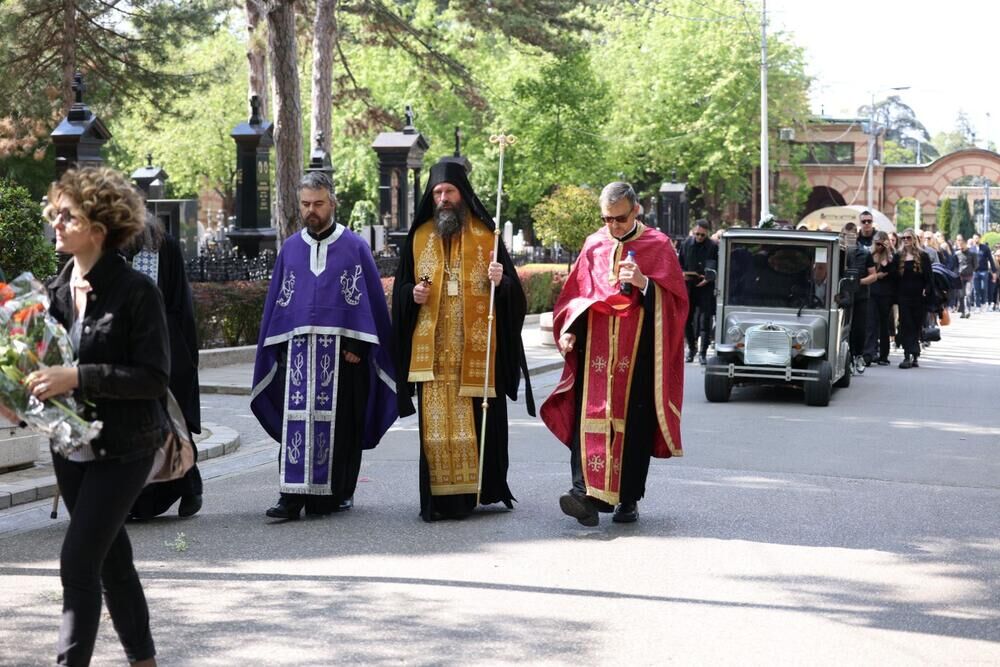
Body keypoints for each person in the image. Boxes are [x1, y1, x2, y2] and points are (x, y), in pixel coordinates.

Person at [3, 167, 168, 666]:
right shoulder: (50, 292)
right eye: (56, 213)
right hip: (68, 447)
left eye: (67, 216)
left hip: (126, 447)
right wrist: (14, 391)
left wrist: (77, 377)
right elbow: (35, 366)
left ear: (98, 228)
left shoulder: (137, 292)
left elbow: (153, 379)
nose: (56, 223)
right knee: (112, 561)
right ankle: (144, 660)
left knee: (77, 563)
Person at [391, 160, 534, 522]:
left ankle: (475, 493)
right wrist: (412, 295)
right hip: (434, 358)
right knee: (436, 435)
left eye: (448, 192)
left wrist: (502, 282)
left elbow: (515, 299)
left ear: (462, 193)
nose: (442, 199)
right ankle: (439, 499)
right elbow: (400, 295)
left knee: (474, 430)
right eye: (437, 193)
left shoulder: (488, 237)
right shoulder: (419, 236)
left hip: (475, 354)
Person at [251, 171, 397, 520]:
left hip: (344, 355)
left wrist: (359, 349)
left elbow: (369, 306)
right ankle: (290, 496)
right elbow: (279, 305)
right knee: (295, 425)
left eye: (318, 203)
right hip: (298, 355)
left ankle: (335, 494)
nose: (311, 210)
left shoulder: (354, 247)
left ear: (332, 202)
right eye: (305, 204)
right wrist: (281, 347)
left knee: (343, 425)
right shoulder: (291, 249)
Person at [540, 182, 688, 526]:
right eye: (607, 219)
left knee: (632, 426)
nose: (613, 227)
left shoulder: (658, 245)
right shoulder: (594, 244)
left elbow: (677, 304)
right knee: (588, 418)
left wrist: (644, 284)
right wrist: (570, 331)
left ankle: (628, 500)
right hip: (595, 351)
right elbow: (576, 294)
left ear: (636, 210)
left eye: (619, 219)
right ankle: (584, 494)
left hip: (636, 354)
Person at [126, 218, 203, 520]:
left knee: (171, 422)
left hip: (164, 346)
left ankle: (189, 487)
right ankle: (138, 502)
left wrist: (183, 355)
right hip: (125, 351)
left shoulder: (162, 245)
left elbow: (179, 302)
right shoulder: (109, 245)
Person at [677, 219, 717, 365]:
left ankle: (703, 353)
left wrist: (708, 278)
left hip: (705, 287)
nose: (699, 237)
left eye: (702, 235)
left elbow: (715, 266)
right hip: (689, 286)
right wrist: (683, 274)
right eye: (697, 234)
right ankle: (691, 349)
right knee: (687, 318)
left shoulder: (712, 246)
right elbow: (679, 264)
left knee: (705, 320)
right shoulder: (686, 244)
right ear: (693, 232)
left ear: (707, 234)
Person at [895, 229, 933, 368]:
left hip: (919, 297)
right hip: (903, 296)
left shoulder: (923, 256)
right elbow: (894, 277)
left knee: (916, 325)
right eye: (903, 238)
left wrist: (926, 290)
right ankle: (907, 355)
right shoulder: (898, 256)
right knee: (906, 325)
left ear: (914, 239)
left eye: (908, 238)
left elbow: (929, 277)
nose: (905, 240)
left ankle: (915, 355)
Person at [842, 220, 876, 367]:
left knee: (859, 327)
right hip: (842, 296)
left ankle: (858, 355)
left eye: (851, 235)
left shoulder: (865, 253)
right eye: (845, 235)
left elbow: (873, 275)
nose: (848, 238)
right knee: (844, 328)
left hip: (861, 296)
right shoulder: (838, 253)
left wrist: (859, 282)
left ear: (856, 235)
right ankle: (845, 357)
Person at [866, 231, 898, 365]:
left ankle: (883, 355)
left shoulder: (891, 256)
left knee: (884, 325)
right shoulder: (870, 254)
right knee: (871, 323)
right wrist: (877, 275)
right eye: (877, 243)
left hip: (885, 295)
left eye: (881, 243)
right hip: (872, 293)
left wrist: (888, 251)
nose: (879, 246)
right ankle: (869, 353)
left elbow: (893, 272)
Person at [970, 233, 997, 311]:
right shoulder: (971, 249)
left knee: (983, 288)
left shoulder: (985, 248)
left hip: (984, 271)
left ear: (980, 238)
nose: (976, 240)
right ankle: (977, 306)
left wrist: (994, 271)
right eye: (974, 238)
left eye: (977, 238)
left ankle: (983, 303)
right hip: (975, 272)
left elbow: (991, 260)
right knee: (976, 289)